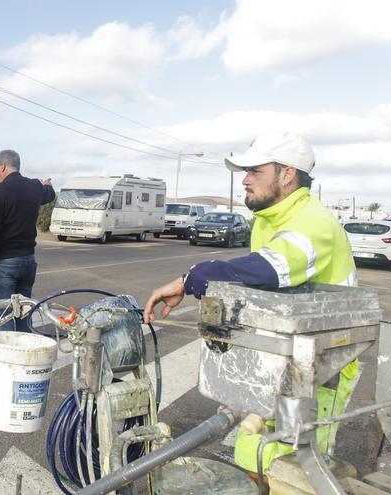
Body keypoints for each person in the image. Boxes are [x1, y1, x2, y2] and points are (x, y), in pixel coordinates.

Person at [142, 132, 358, 475]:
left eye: (255, 170)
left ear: (287, 174)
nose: (244, 179)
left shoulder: (313, 221)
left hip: (317, 369)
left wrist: (191, 278)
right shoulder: (272, 216)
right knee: (253, 458)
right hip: (281, 360)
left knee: (293, 473)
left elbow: (272, 267)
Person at [0, 149, 55, 331]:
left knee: (5, 316)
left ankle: (9, 357)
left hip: (5, 264)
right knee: (23, 315)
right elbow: (49, 195)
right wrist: (47, 186)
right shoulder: (34, 187)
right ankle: (25, 355)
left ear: (2, 166)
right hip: (28, 261)